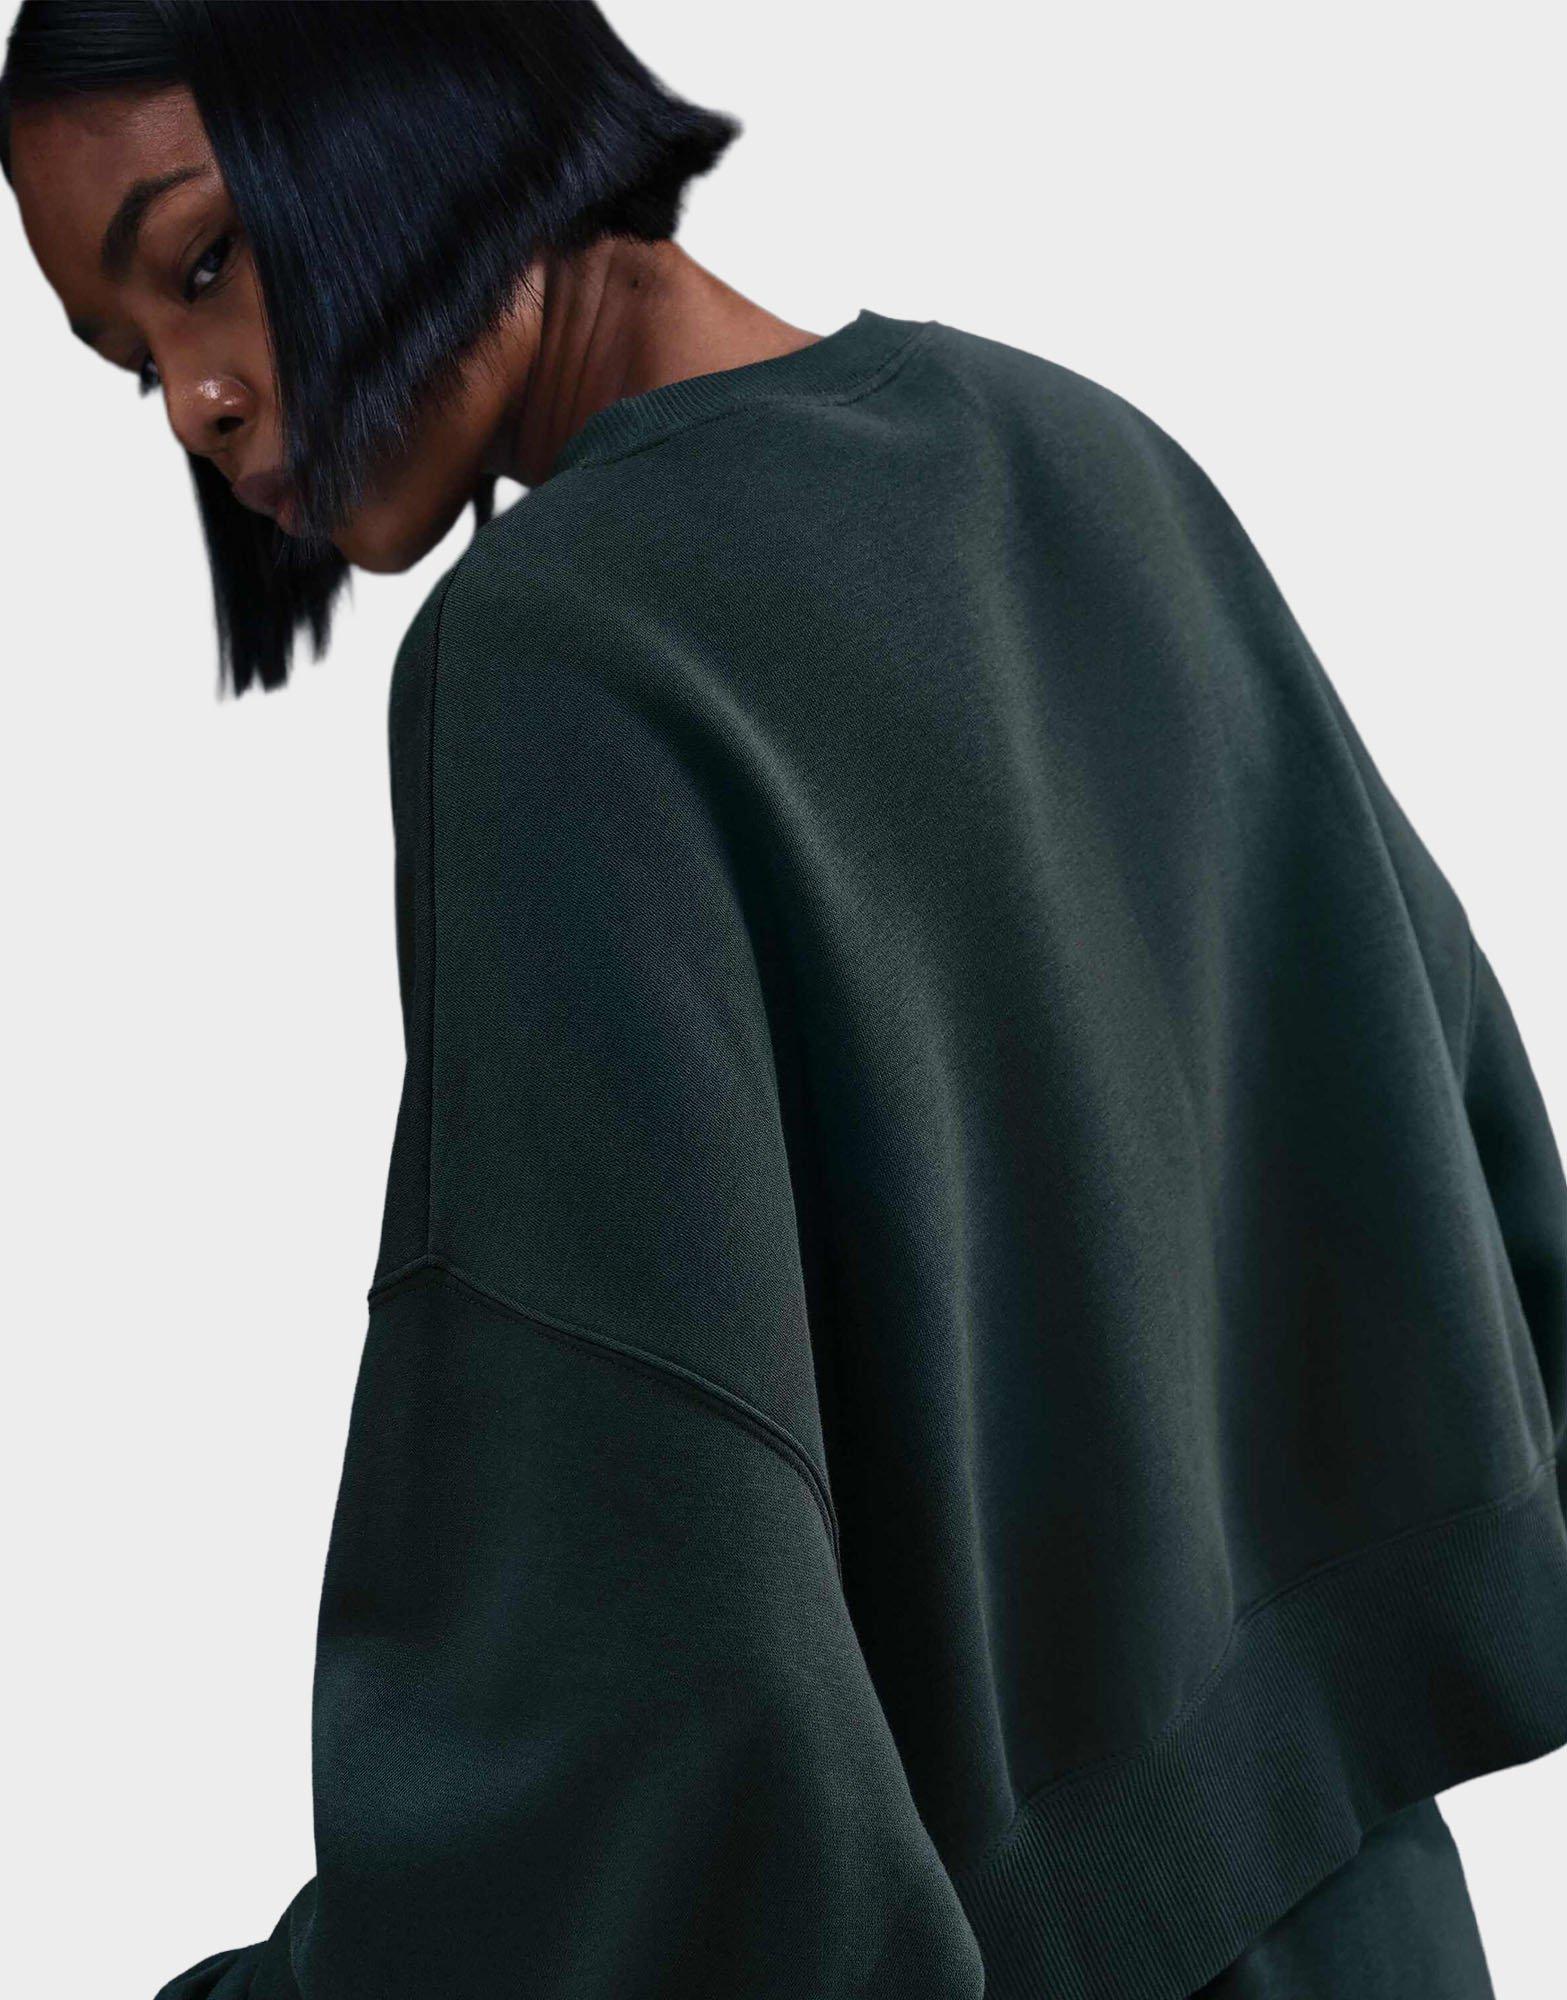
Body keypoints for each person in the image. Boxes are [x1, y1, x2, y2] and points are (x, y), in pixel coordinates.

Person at [5, 5, 1564, 1997]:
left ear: (414, 91)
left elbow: (635, 1686)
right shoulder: (1071, 445)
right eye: (127, 356)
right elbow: (1475, 1215)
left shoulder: (558, 660)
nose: (192, 403)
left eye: (205, 259)